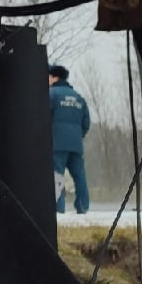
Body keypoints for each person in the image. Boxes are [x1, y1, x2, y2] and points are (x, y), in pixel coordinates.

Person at [48, 63, 92, 214]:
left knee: (56, 175)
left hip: (57, 145)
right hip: (76, 145)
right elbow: (86, 123)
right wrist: (78, 137)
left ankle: (58, 208)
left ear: (54, 77)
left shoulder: (51, 95)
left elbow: (43, 119)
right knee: (79, 175)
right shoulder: (79, 98)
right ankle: (83, 206)